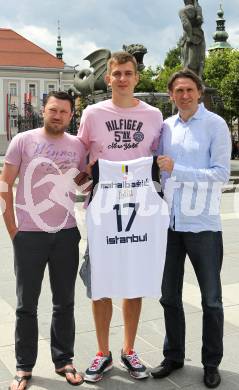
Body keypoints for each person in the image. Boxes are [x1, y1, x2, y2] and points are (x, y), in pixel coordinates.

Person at [77, 51, 163, 382]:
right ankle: (103, 352)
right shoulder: (93, 113)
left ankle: (129, 349)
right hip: (101, 210)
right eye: (117, 74)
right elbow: (80, 160)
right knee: (99, 284)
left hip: (138, 210)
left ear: (137, 77)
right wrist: (84, 180)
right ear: (109, 78)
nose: (123, 79)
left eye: (129, 73)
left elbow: (159, 161)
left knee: (133, 283)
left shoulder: (154, 115)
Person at [150, 69, 231, 388]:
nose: (184, 95)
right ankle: (173, 356)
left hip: (203, 225)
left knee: (211, 300)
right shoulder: (166, 128)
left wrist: (178, 169)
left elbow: (221, 175)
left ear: (199, 92)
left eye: (189, 89)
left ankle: (211, 362)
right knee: (168, 295)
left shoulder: (216, 125)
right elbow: (156, 172)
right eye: (178, 90)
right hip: (169, 224)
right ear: (171, 95)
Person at [0, 91, 87, 390]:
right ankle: (24, 367)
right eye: (53, 110)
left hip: (65, 234)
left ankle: (64, 360)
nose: (57, 115)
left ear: (71, 115)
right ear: (44, 110)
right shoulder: (24, 140)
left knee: (64, 302)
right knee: (26, 305)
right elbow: (4, 184)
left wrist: (93, 179)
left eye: (64, 111)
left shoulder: (77, 145)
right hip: (29, 235)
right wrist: (13, 228)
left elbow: (84, 185)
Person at [179, 0, 205, 77]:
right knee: (200, 60)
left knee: (187, 62)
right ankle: (199, 78)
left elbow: (186, 24)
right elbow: (200, 20)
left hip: (190, 38)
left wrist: (190, 36)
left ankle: (190, 79)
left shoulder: (183, 11)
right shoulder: (198, 9)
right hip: (199, 36)